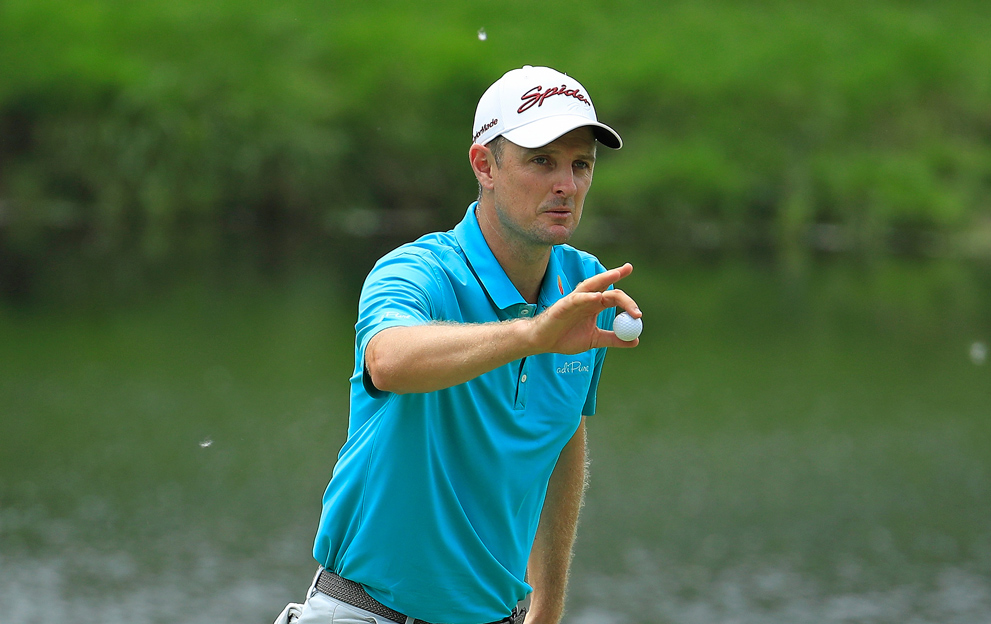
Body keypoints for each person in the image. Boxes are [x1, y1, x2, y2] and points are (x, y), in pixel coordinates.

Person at [277, 65, 641, 624]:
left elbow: (563, 435)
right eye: (541, 161)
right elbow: (389, 360)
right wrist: (530, 336)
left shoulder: (584, 283)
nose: (566, 185)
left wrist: (547, 607)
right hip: (366, 612)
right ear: (484, 165)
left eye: (580, 164)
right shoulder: (416, 271)